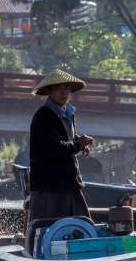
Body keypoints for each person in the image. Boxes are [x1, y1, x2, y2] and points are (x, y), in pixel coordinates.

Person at [27, 69, 95, 249]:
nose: (64, 92)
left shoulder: (68, 113)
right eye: (58, 88)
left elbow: (67, 141)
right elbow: (54, 148)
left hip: (69, 182)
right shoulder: (44, 116)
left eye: (66, 88)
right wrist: (78, 146)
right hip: (49, 185)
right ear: (49, 91)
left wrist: (79, 141)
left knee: (83, 227)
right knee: (44, 234)